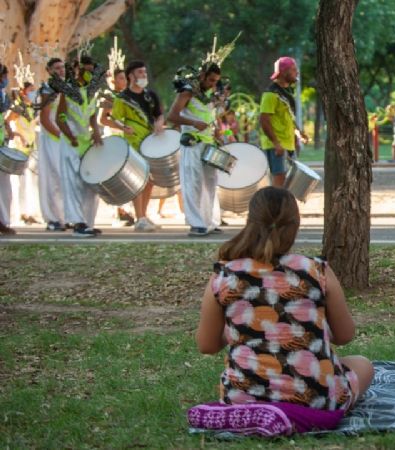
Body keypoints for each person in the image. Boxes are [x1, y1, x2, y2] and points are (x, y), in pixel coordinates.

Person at [195, 187, 373, 416]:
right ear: (295, 226)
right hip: (316, 400)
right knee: (362, 364)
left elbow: (206, 345)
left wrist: (240, 330)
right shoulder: (316, 270)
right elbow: (345, 335)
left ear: (250, 222)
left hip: (243, 398)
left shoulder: (224, 275)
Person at [168, 63, 223, 237]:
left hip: (209, 143)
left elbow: (208, 118)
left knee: (210, 182)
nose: (214, 84)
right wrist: (193, 123)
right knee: (193, 182)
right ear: (203, 76)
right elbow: (171, 116)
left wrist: (216, 133)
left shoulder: (210, 95)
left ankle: (209, 221)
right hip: (191, 143)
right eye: (211, 80)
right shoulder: (187, 91)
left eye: (216, 81)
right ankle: (196, 223)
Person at [110, 60, 166, 232]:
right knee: (139, 181)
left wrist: (159, 123)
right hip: (134, 143)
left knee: (149, 181)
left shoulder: (151, 96)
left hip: (151, 143)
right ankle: (139, 218)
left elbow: (160, 115)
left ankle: (143, 215)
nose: (144, 75)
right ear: (131, 76)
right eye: (140, 72)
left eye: (145, 72)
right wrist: (123, 127)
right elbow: (114, 119)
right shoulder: (123, 98)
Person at [54, 55, 105, 237]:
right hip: (71, 144)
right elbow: (59, 118)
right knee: (73, 183)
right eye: (88, 71)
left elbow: (92, 114)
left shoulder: (91, 92)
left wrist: (96, 131)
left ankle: (88, 222)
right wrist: (71, 136)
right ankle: (78, 223)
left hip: (87, 144)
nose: (91, 75)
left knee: (91, 183)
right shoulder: (67, 92)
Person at [259, 57, 308, 187]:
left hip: (288, 144)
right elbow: (264, 121)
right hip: (276, 145)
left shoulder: (287, 93)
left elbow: (289, 120)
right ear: (284, 71)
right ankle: (276, 207)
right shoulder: (270, 94)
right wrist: (276, 143)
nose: (297, 73)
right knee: (279, 183)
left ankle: (283, 206)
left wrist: (299, 134)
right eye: (293, 70)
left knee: (289, 183)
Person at [98, 68, 136, 228]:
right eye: (121, 78)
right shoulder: (109, 97)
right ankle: (119, 211)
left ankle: (128, 210)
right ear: (113, 80)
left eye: (125, 78)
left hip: (128, 139)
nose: (124, 81)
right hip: (114, 139)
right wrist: (121, 127)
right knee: (115, 175)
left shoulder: (130, 96)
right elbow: (103, 119)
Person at [36, 58, 68, 232]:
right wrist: (60, 135)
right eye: (57, 68)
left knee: (65, 178)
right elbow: (45, 119)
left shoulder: (67, 88)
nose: (61, 70)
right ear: (49, 71)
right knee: (52, 177)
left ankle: (65, 216)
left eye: (62, 67)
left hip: (65, 137)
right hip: (52, 138)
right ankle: (52, 218)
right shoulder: (48, 90)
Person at [7, 82, 41, 226]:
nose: (33, 93)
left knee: (30, 182)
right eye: (30, 90)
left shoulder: (32, 108)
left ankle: (30, 212)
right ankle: (20, 213)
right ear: (23, 92)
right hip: (18, 148)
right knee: (18, 183)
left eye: (34, 90)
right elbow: (7, 121)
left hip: (30, 147)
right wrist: (16, 136)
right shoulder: (18, 107)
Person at [0, 63, 22, 235]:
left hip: (2, 144)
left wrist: (8, 129)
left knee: (5, 188)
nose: (4, 80)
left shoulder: (3, 95)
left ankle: (3, 220)